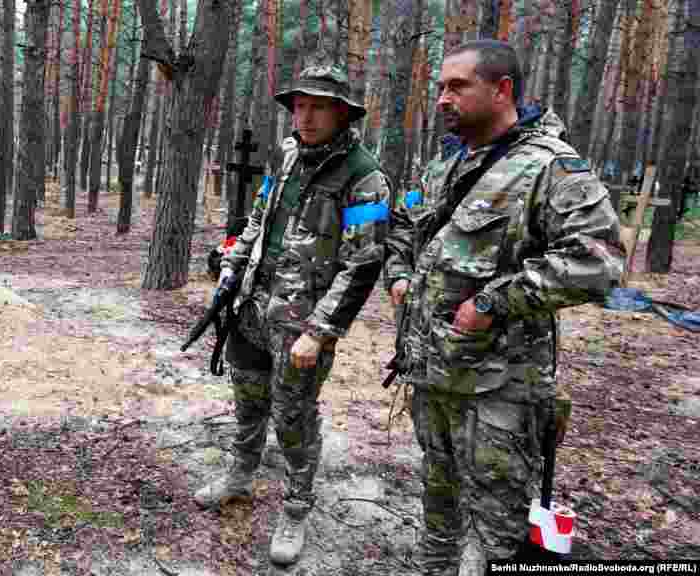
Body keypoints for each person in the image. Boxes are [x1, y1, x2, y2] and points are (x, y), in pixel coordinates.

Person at [383, 40, 624, 574]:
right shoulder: (447, 165)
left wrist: (493, 301)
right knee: (437, 489)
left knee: (496, 518)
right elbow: (404, 226)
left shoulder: (550, 169)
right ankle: (434, 562)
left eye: (457, 86)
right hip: (432, 368)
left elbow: (600, 263)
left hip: (499, 387)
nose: (443, 99)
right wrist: (399, 275)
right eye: (440, 87)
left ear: (502, 90)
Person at [192, 63, 391, 565]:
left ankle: (297, 507)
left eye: (318, 105)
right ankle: (239, 476)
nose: (305, 115)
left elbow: (362, 265)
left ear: (342, 112)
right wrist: (232, 272)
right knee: (249, 398)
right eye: (299, 105)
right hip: (252, 304)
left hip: (302, 322)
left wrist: (321, 333)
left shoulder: (365, 176)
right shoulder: (285, 154)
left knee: (294, 416)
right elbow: (259, 216)